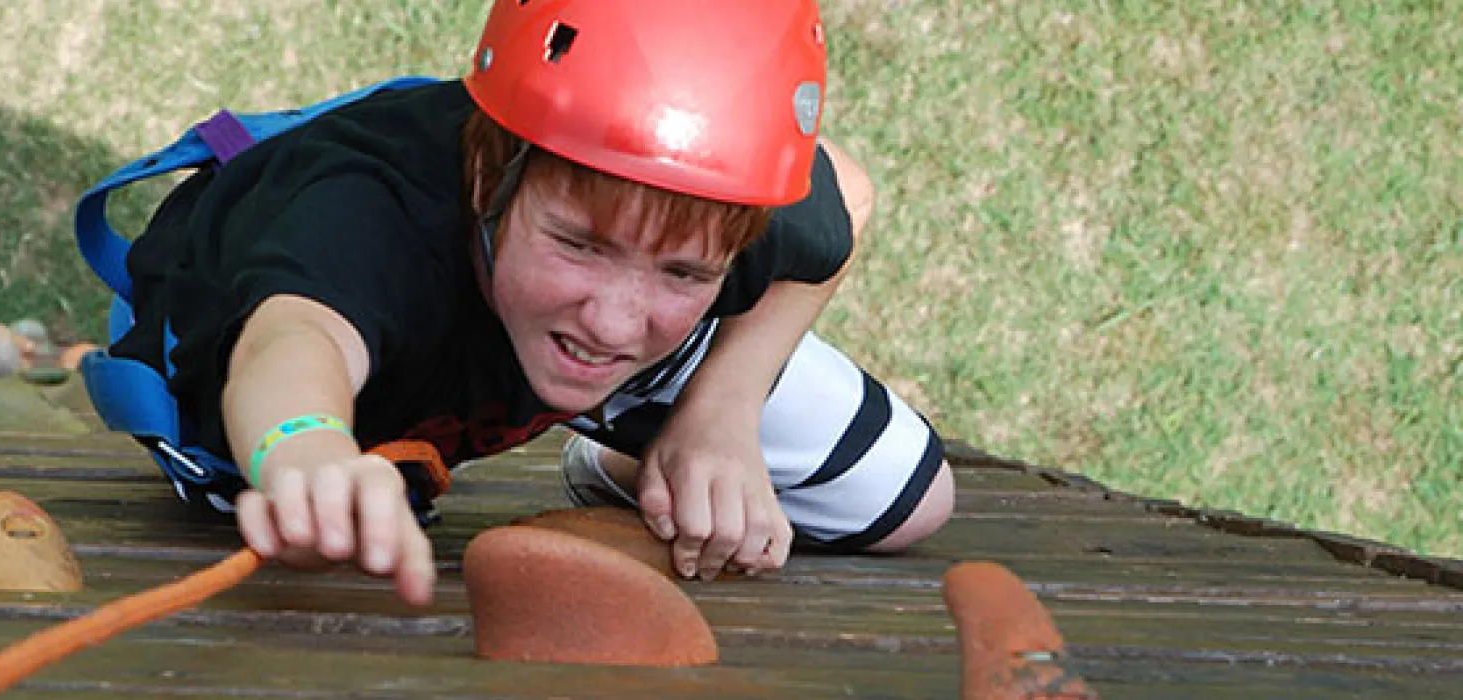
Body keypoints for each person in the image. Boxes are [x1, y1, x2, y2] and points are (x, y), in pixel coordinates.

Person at [106, 0, 955, 608]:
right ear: (488, 177)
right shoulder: (370, 218)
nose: (616, 321)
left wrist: (719, 415)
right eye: (581, 242)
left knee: (906, 501)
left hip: (521, 326)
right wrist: (305, 449)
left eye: (686, 272)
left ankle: (623, 459)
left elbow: (847, 191)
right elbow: (292, 341)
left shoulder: (705, 205)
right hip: (289, 402)